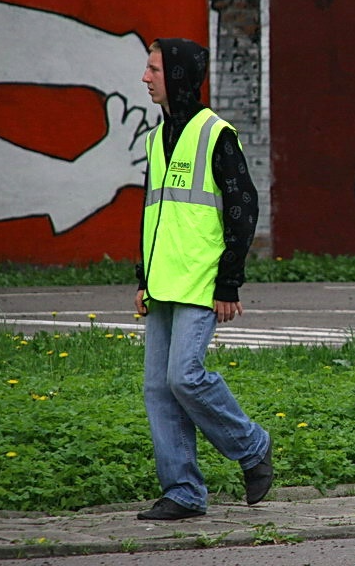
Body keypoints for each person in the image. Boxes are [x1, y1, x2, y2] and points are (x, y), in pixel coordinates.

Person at [134, 38, 273, 520]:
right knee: (157, 389)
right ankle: (184, 492)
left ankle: (252, 446)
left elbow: (242, 208)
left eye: (153, 69)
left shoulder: (216, 133)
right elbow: (153, 214)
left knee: (184, 377)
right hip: (162, 282)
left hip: (200, 281)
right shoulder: (156, 138)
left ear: (175, 75)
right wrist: (142, 278)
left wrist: (229, 281)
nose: (145, 77)